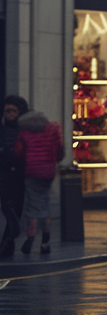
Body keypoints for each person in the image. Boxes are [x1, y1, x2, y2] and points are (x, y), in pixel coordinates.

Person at [13, 110, 64, 255]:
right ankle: (46, 241)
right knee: (44, 204)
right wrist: (53, 162)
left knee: (32, 207)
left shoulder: (24, 132)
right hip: (48, 172)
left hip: (31, 172)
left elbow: (18, 152)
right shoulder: (52, 129)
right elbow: (60, 149)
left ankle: (30, 237)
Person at [0, 95, 29, 258]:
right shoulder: (3, 129)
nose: (10, 114)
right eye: (7, 111)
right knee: (7, 207)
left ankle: (8, 242)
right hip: (4, 173)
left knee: (14, 208)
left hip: (19, 175)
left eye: (13, 111)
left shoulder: (23, 130)